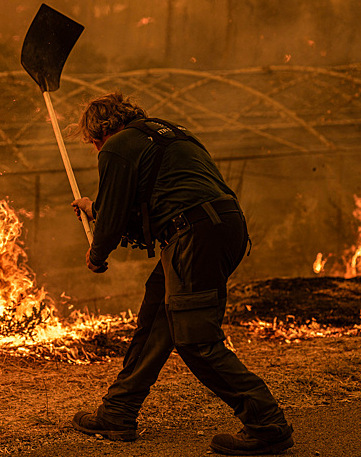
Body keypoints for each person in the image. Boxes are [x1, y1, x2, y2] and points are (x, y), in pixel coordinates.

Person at [68, 92, 293, 456]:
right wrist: (95, 208)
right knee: (158, 316)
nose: (96, 150)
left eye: (93, 143)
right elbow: (141, 206)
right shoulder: (171, 134)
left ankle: (267, 423)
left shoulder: (117, 146)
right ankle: (118, 412)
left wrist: (97, 254)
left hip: (193, 234)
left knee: (195, 339)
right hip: (222, 226)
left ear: (101, 132)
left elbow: (113, 223)